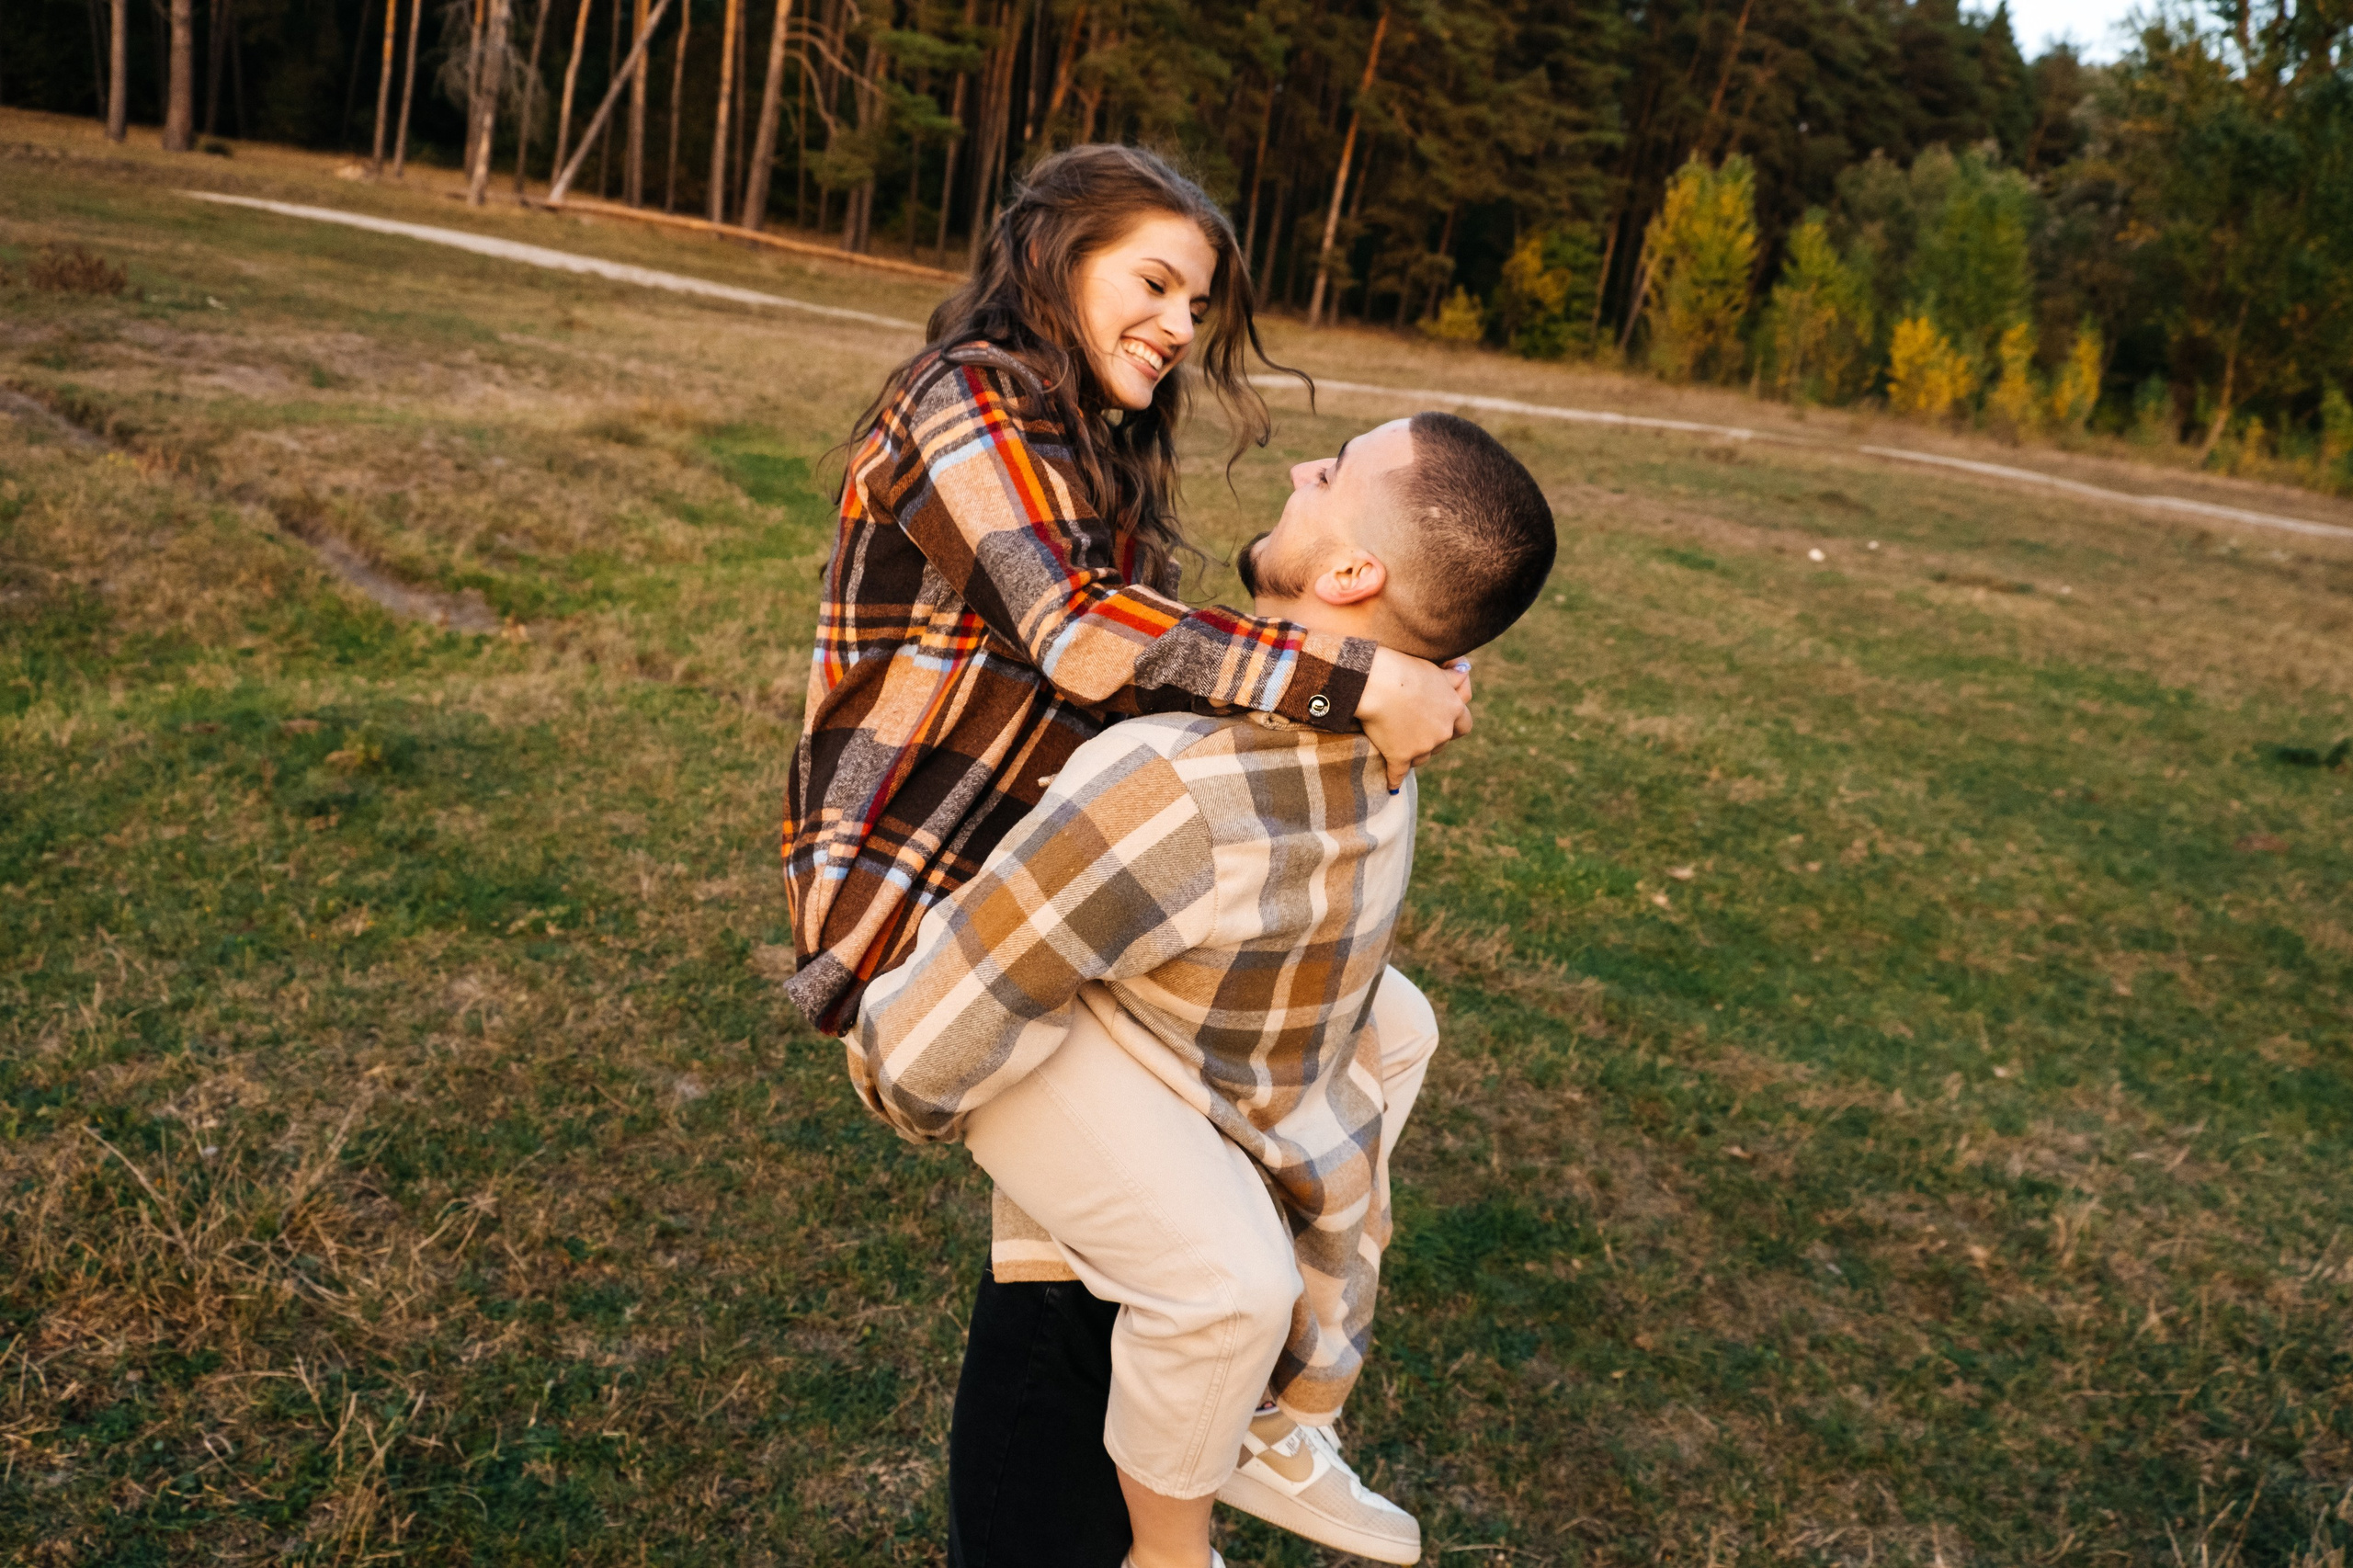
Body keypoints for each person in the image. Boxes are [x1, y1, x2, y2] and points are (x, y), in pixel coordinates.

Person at [779, 144, 1472, 1561]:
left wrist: (1379, 668)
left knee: (1379, 1023)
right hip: (923, 900)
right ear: (1052, 254)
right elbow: (1083, 635)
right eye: (1152, 280)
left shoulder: (1097, 446)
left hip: (1066, 881)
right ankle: (1168, 1527)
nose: (1177, 323)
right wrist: (1347, 681)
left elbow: (1157, 685)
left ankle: (1248, 1420)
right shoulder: (960, 397)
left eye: (1196, 303)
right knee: (1175, 1277)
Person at [852, 411, 1558, 1568]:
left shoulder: (1187, 789)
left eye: (1328, 472)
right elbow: (929, 1036)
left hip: (1161, 1067)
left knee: (1384, 1043)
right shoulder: (1363, 742)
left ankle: (1239, 1462)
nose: (1296, 467)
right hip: (1074, 1075)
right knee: (1222, 1280)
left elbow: (924, 1044)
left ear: (1349, 572)